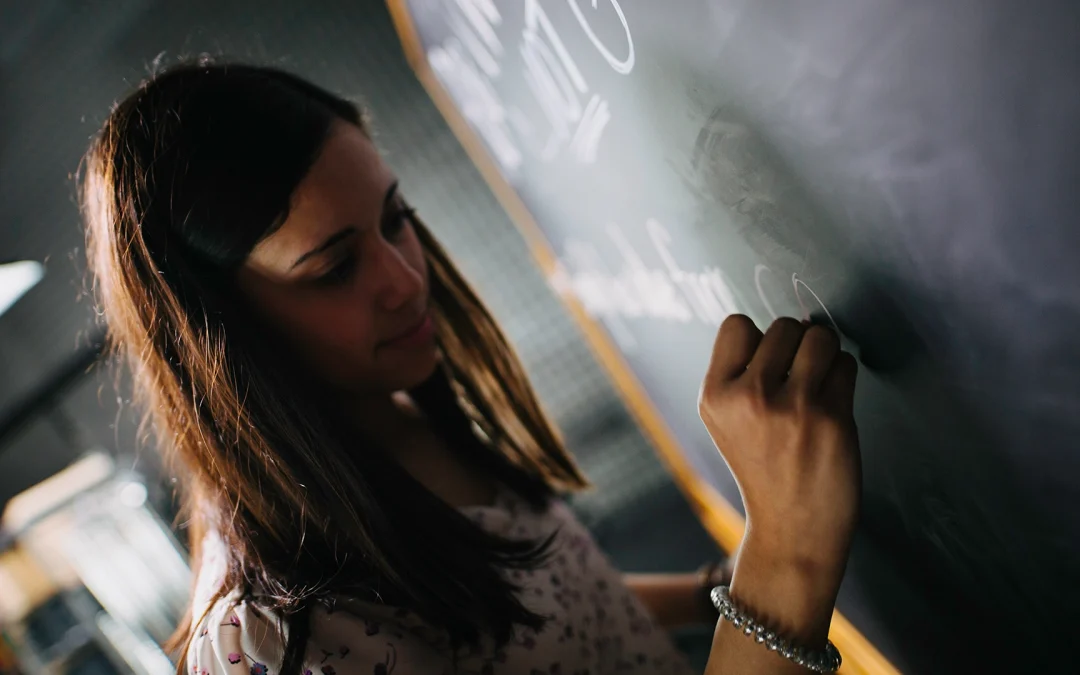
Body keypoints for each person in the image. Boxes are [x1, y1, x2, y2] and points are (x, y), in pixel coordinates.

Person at [81, 59, 861, 675]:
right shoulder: (276, 642)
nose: (404, 278)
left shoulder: (392, 418)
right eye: (332, 269)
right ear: (223, 342)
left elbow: (528, 615)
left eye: (397, 220)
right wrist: (786, 553)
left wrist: (706, 595)